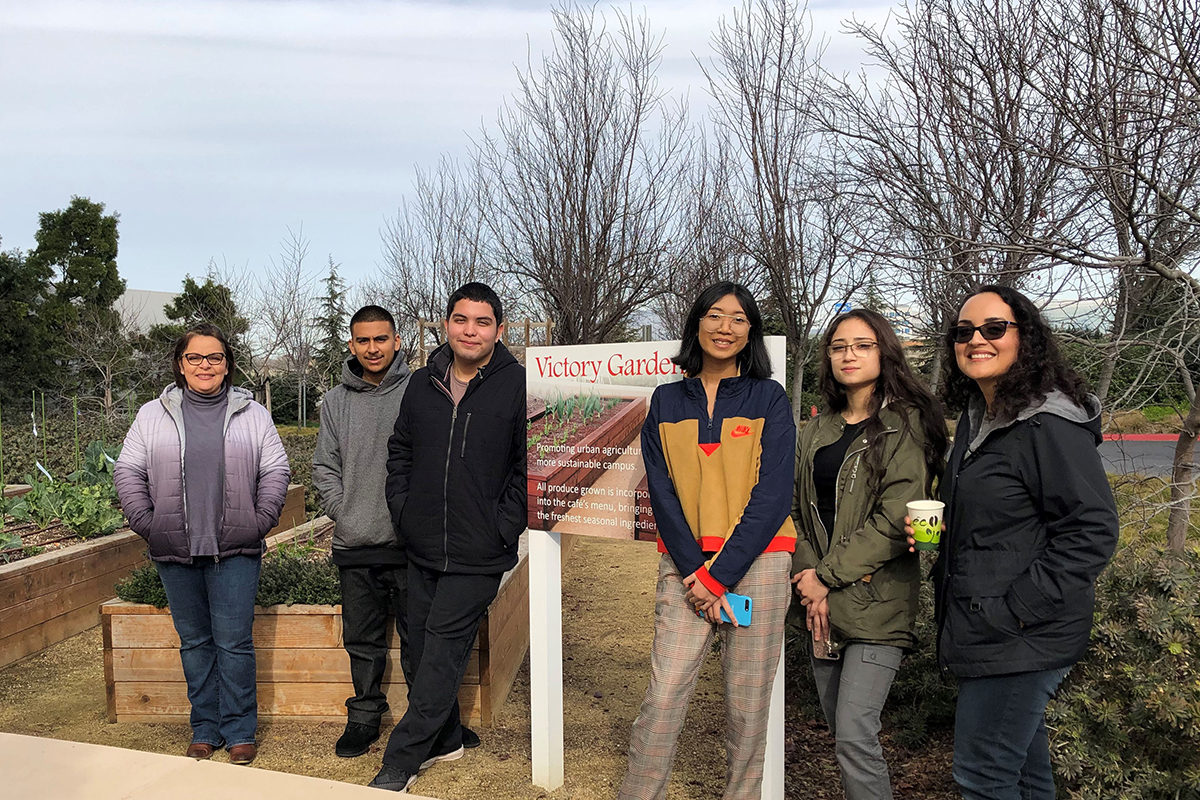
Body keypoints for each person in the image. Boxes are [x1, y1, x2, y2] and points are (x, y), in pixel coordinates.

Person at [908, 285, 1119, 800]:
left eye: (993, 328)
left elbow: (1091, 530)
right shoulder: (985, 421)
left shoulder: (1047, 424)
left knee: (982, 777)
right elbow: (1002, 519)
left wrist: (1017, 610)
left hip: (1021, 634)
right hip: (993, 625)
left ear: (1026, 338)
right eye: (963, 332)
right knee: (1025, 777)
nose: (976, 340)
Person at [617, 281, 796, 800]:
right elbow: (662, 494)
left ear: (751, 331)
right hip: (685, 567)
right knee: (665, 695)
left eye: (739, 318)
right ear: (696, 324)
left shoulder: (769, 398)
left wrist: (719, 576)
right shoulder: (667, 401)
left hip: (758, 563)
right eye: (715, 316)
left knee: (746, 706)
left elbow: (773, 493)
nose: (725, 327)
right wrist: (697, 570)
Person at [369, 282, 526, 793]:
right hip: (422, 544)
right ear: (446, 324)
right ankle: (447, 738)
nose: (471, 330)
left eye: (483, 323)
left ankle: (402, 760)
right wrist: (404, 510)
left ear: (499, 331)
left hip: (480, 552)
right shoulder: (422, 384)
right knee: (418, 651)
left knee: (438, 650)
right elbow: (401, 452)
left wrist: (502, 526)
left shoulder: (518, 385)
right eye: (462, 320)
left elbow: (530, 469)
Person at [113, 322, 290, 765]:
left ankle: (240, 730)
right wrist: (148, 523)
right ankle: (205, 728)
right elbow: (128, 472)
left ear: (227, 364)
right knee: (194, 644)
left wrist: (260, 520)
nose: (205, 365)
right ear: (180, 363)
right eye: (195, 357)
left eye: (214, 357)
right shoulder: (152, 414)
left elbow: (276, 471)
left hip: (235, 549)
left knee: (233, 643)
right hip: (175, 548)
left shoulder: (254, 414)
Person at [790, 309, 947, 800]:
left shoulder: (907, 425)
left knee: (855, 734)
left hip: (878, 604)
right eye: (838, 346)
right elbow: (792, 511)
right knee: (842, 734)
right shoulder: (815, 430)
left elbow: (894, 520)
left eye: (862, 344)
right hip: (819, 605)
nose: (849, 355)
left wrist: (826, 577)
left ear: (884, 352)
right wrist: (807, 579)